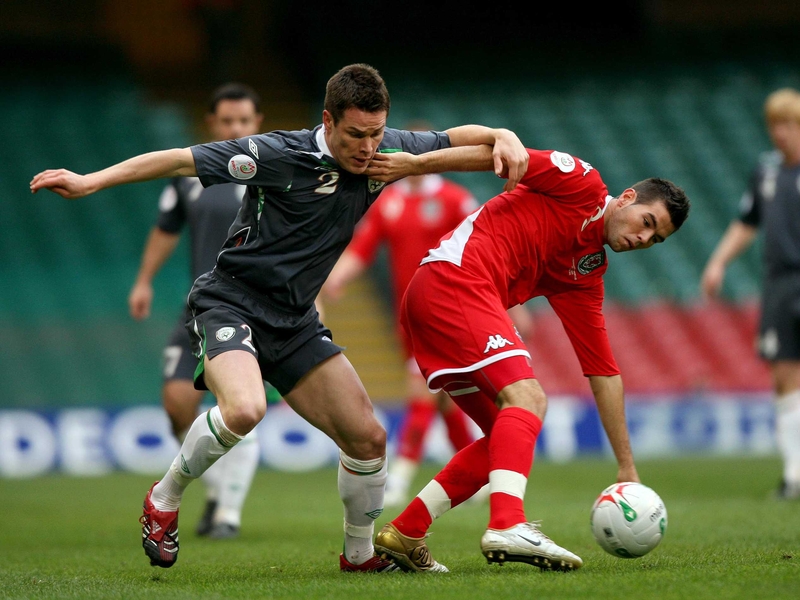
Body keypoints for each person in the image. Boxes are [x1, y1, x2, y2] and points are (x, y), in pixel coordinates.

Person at [29, 63, 530, 572]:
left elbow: (457, 140)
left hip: (294, 321)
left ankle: (358, 556)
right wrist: (90, 181)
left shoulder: (386, 149)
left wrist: (502, 135)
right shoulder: (275, 154)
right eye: (355, 134)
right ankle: (164, 498)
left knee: (368, 438)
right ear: (328, 122)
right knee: (246, 409)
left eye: (376, 134)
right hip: (231, 302)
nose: (367, 147)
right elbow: (177, 161)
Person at [371, 149, 690, 573]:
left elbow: (604, 372)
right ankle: (508, 523)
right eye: (647, 223)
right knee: (529, 399)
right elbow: (497, 154)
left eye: (656, 239)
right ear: (628, 198)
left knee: (502, 441)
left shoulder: (586, 272)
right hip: (456, 279)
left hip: (435, 299)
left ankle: (406, 531)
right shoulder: (582, 183)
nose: (643, 240)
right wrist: (413, 165)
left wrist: (626, 466)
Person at [322, 119, 533, 507]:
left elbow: (490, 253)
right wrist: (334, 281)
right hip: (409, 315)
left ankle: (400, 478)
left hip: (453, 309)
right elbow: (361, 250)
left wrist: (513, 309)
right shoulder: (390, 203)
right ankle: (481, 479)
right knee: (446, 398)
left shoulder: (454, 199)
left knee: (424, 392)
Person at [127, 82, 265, 540]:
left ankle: (227, 513)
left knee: (239, 404)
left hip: (252, 308)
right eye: (227, 121)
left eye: (244, 121)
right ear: (212, 124)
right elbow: (166, 227)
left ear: (257, 124)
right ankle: (215, 489)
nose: (236, 129)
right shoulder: (189, 173)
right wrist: (145, 279)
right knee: (177, 403)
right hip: (198, 307)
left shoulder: (272, 172)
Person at [701, 87, 800, 501]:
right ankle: (795, 474)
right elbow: (747, 222)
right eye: (774, 124)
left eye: (789, 124)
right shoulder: (766, 171)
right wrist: (718, 261)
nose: (780, 132)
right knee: (783, 374)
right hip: (779, 282)